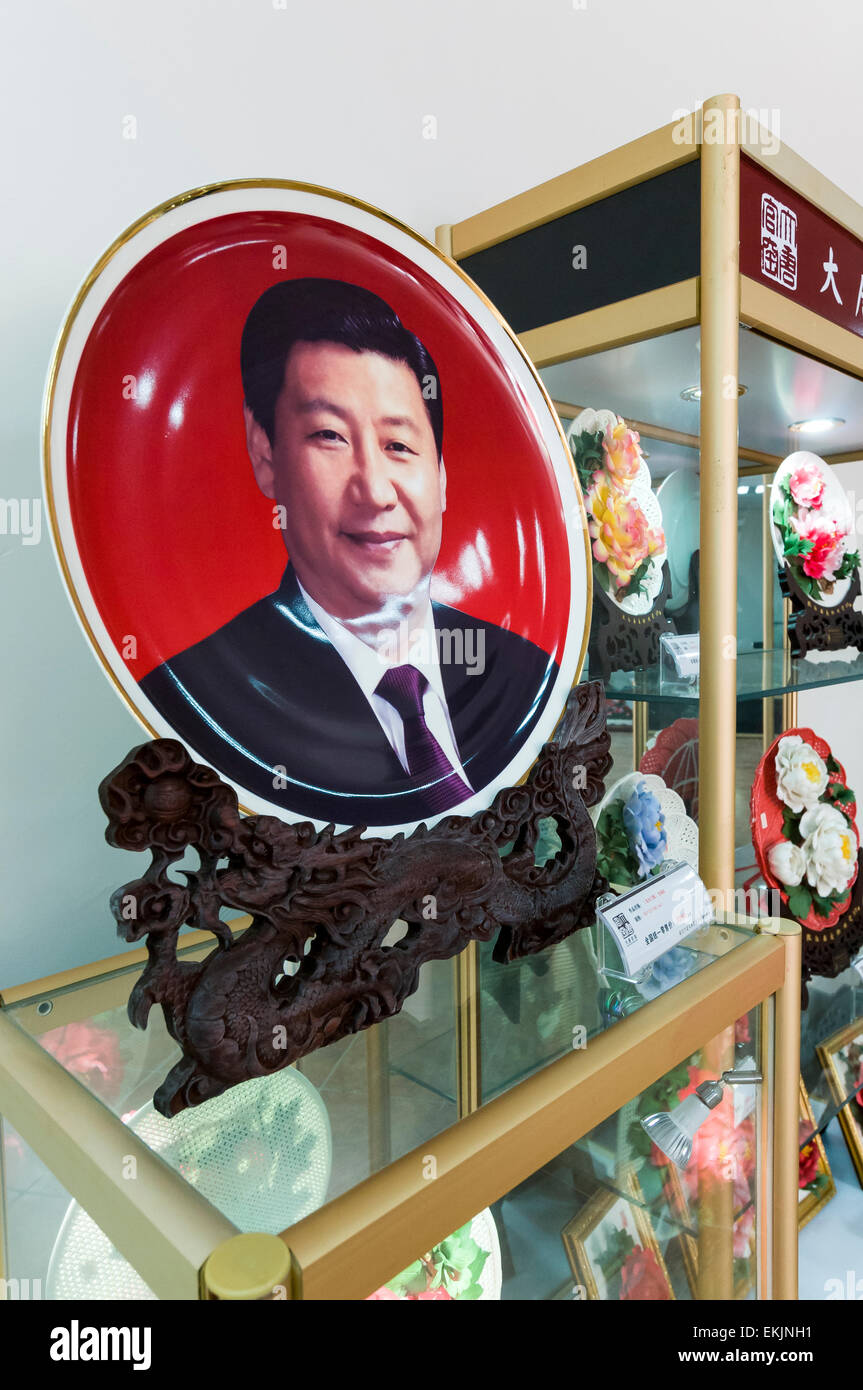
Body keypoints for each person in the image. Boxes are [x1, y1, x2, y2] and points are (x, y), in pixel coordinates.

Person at [140, 278, 558, 825]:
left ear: (441, 477)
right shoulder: (204, 697)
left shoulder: (522, 671)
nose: (376, 492)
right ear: (264, 452)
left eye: (399, 446)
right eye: (330, 436)